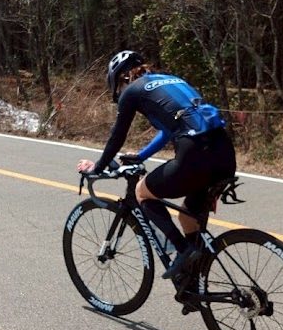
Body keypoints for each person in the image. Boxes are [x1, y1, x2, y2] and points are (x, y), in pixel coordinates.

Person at [76, 50, 236, 280]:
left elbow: (117, 136)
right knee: (188, 217)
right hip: (225, 154)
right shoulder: (171, 80)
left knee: (142, 192)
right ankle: (193, 282)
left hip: (195, 154)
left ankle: (183, 250)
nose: (119, 93)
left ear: (121, 79)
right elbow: (168, 131)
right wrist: (141, 156)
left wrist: (97, 168)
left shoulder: (132, 90)